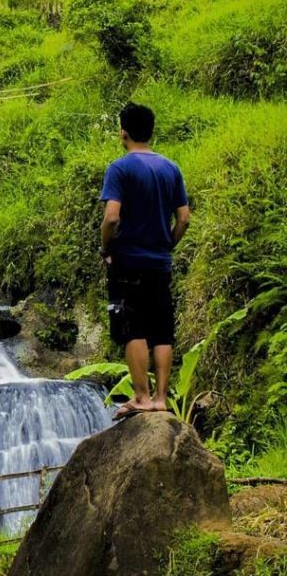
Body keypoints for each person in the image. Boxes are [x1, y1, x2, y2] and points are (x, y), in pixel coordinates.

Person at [100, 102, 191, 420]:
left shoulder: (120, 169)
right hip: (159, 264)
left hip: (127, 262)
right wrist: (168, 243)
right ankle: (161, 398)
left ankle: (140, 396)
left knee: (132, 328)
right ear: (150, 131)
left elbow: (112, 217)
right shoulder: (171, 168)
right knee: (161, 331)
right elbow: (183, 218)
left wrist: (106, 247)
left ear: (123, 132)